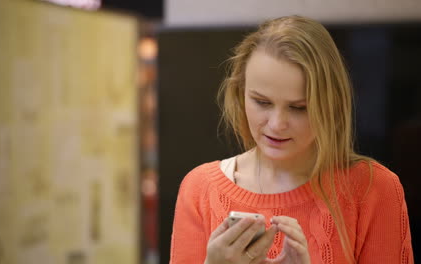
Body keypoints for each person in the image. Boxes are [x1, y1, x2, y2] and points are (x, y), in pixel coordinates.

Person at [169, 15, 413, 264]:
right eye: (262, 102)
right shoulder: (200, 189)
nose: (276, 124)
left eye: (299, 108)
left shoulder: (374, 189)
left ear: (332, 105)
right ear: (239, 93)